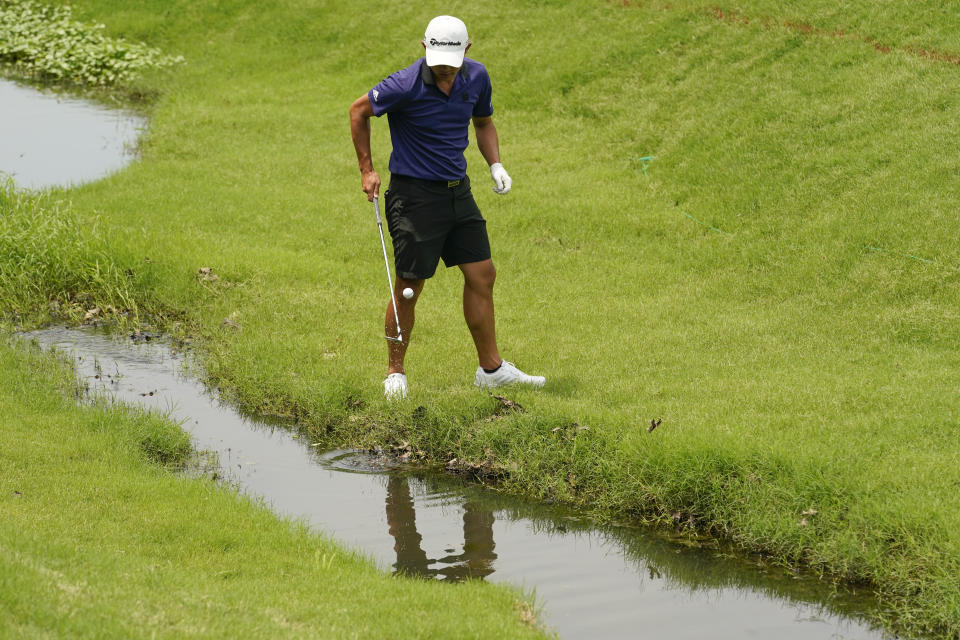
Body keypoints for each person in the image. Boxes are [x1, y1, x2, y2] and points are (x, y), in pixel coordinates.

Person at [349, 15, 545, 399]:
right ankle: (395, 373)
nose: (443, 69)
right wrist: (366, 170)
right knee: (409, 286)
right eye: (436, 60)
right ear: (424, 49)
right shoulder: (403, 84)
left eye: (451, 62)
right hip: (414, 198)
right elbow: (358, 112)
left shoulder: (476, 77)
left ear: (467, 51)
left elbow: (484, 121)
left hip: (458, 193)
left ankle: (490, 369)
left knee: (482, 274)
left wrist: (496, 164)